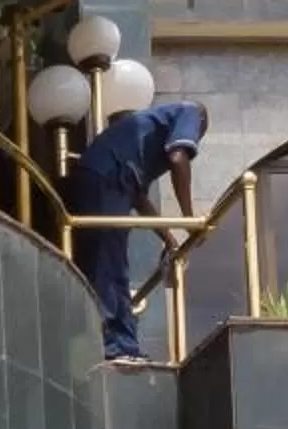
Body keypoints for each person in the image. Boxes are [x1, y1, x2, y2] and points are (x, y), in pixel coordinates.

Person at [62, 98, 207, 363]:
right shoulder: (191, 112)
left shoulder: (142, 141)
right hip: (108, 177)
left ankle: (115, 342)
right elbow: (178, 158)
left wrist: (169, 237)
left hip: (101, 177)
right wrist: (189, 219)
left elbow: (139, 198)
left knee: (104, 261)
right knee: (109, 263)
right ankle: (117, 346)